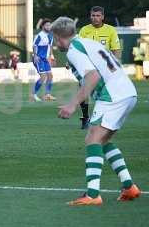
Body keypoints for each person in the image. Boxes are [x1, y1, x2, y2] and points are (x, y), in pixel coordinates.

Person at [53, 16, 141, 206]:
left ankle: (93, 194)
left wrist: (72, 105)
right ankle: (129, 187)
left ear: (59, 37)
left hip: (113, 94)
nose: (54, 42)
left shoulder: (73, 50)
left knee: (92, 139)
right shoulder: (87, 42)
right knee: (102, 140)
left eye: (54, 38)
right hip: (127, 91)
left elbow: (92, 76)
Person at [78, 6, 122, 129]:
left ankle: (104, 118)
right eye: (93, 15)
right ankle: (85, 117)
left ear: (102, 17)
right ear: (90, 16)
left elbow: (116, 50)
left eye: (98, 16)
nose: (95, 18)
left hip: (105, 68)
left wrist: (115, 65)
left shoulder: (111, 30)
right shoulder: (84, 30)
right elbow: (78, 47)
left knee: (105, 94)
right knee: (83, 91)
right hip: (88, 67)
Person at [31, 18, 56, 101]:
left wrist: (52, 56)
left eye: (49, 25)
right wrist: (35, 56)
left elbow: (50, 46)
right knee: (43, 76)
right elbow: (34, 45)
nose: (49, 27)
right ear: (42, 26)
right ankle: (33, 95)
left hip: (45, 59)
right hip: (38, 58)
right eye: (47, 25)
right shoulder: (39, 35)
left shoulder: (50, 36)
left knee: (50, 76)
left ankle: (47, 95)